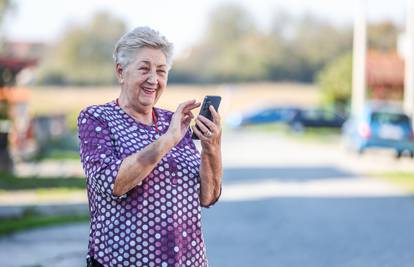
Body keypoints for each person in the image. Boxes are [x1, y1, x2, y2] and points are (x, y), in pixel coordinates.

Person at [78, 26, 222, 267]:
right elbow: (114, 184)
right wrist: (168, 140)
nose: (153, 80)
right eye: (144, 68)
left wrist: (211, 148)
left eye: (161, 71)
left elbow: (208, 197)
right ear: (120, 71)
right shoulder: (97, 118)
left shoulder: (173, 120)